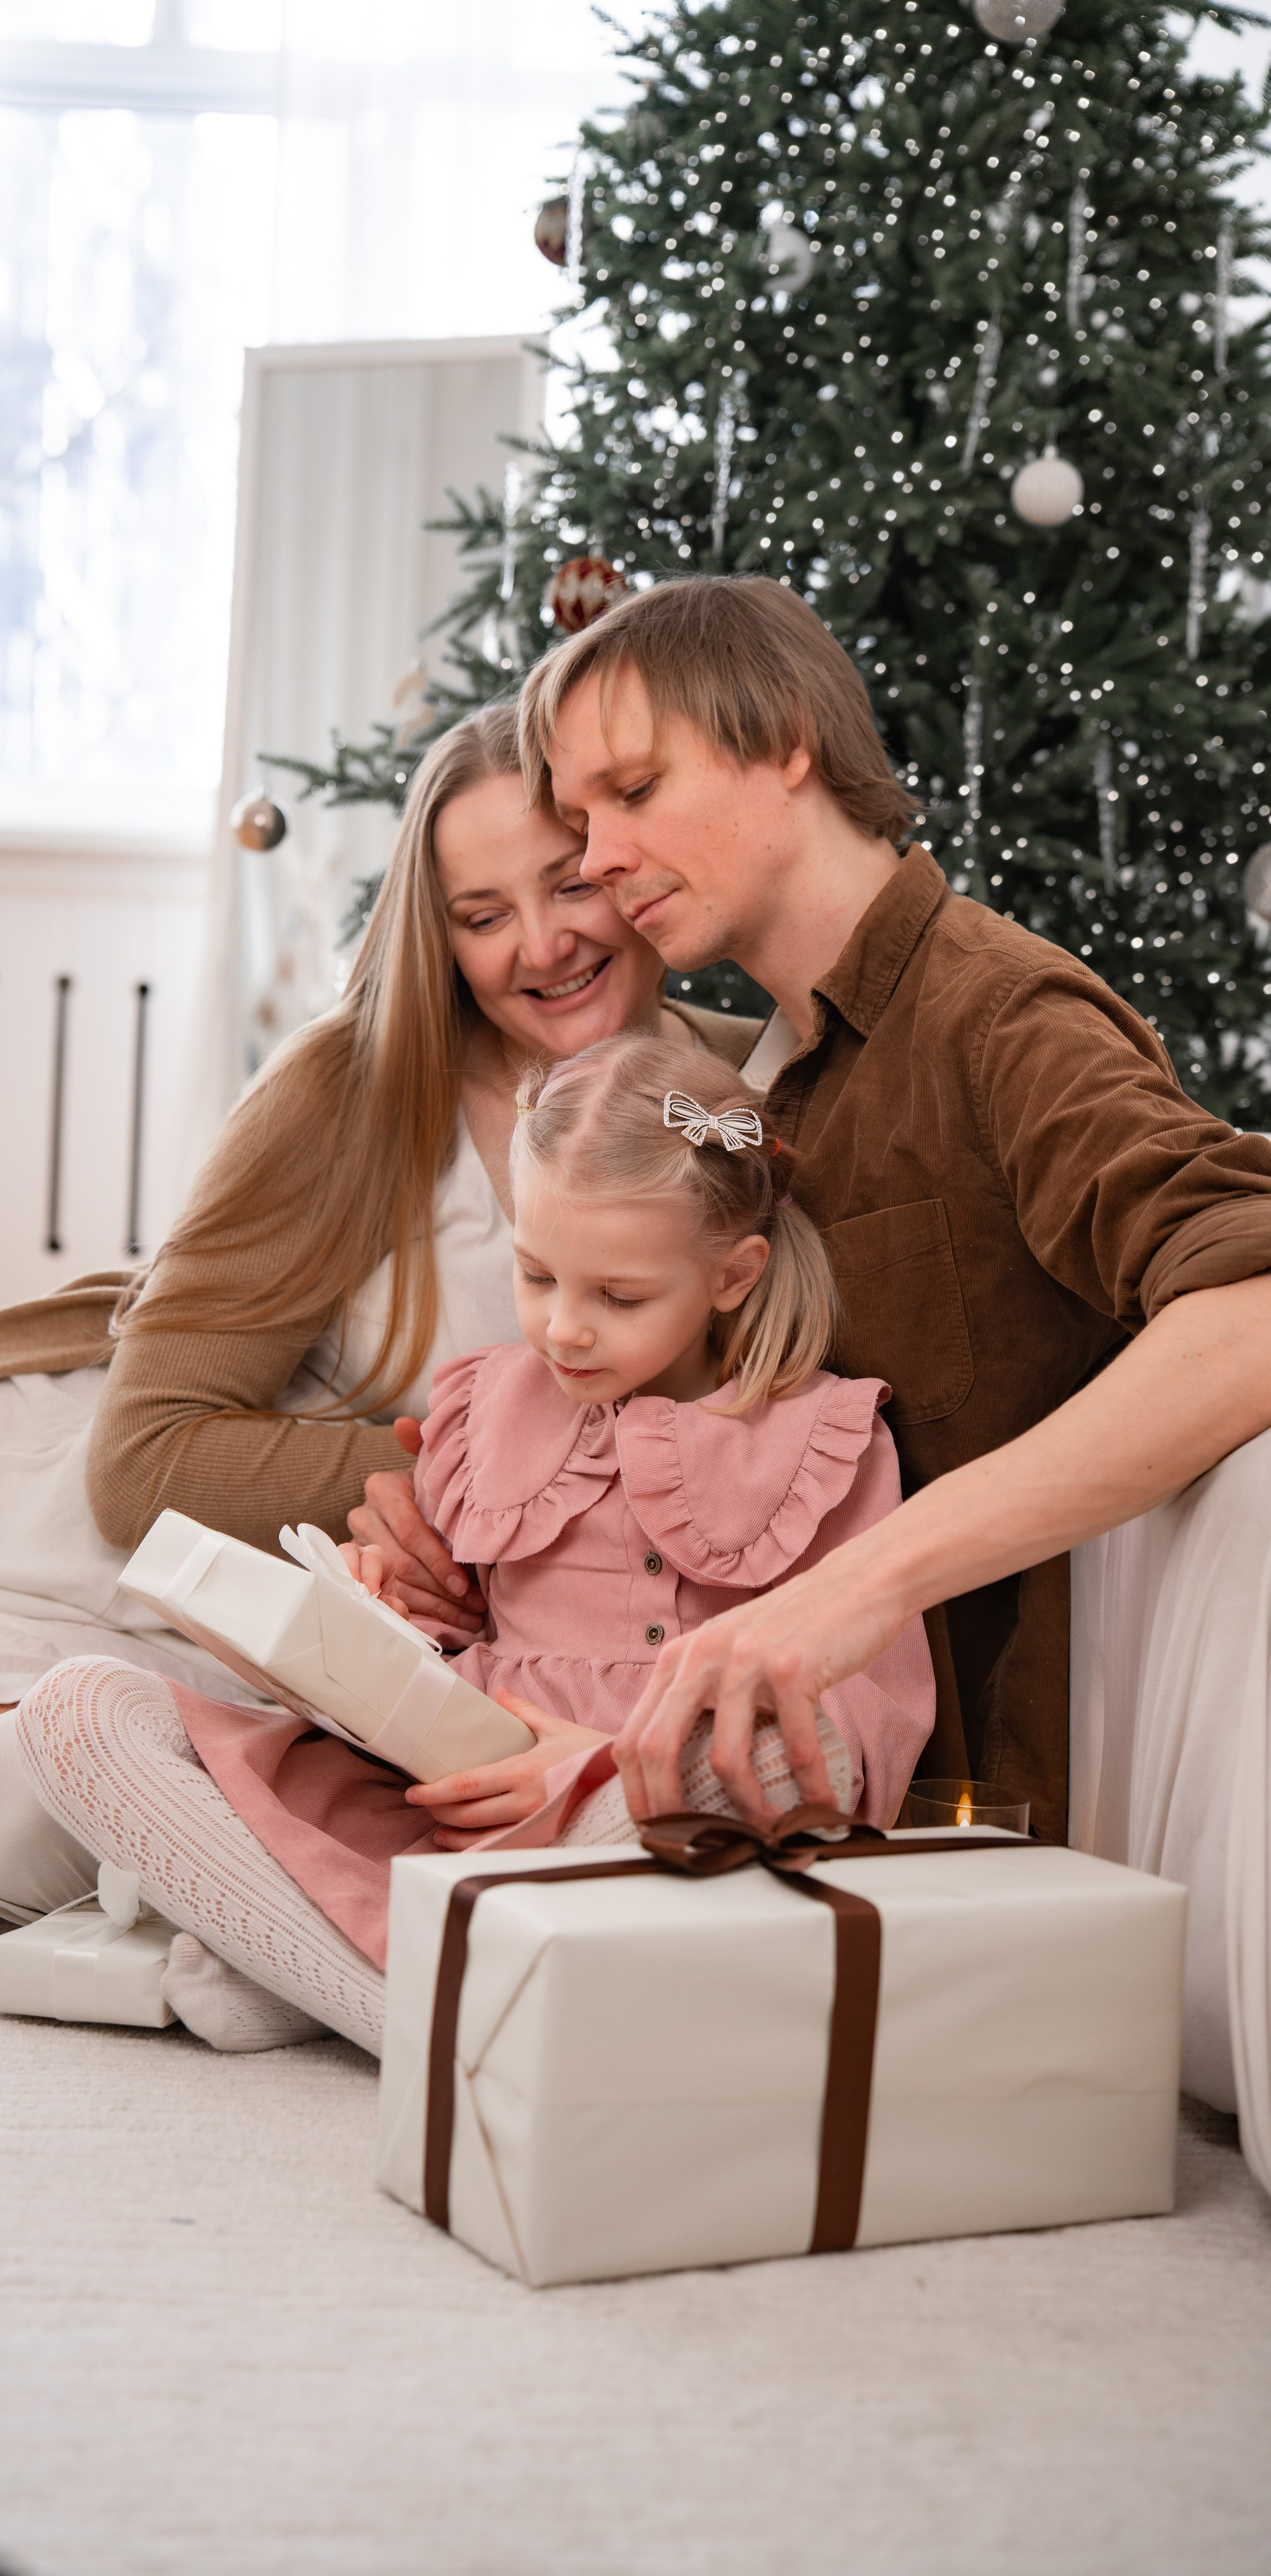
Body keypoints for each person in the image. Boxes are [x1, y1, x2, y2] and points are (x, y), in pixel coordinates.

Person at [0, 703, 720, 1916]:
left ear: (634, 869)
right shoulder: (353, 1089)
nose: (541, 945)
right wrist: (450, 1481)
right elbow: (140, 1459)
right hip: (49, 1499)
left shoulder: (735, 1107)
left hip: (232, 1610)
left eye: (571, 886)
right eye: (482, 916)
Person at [490, 574, 1271, 1856]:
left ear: (787, 740)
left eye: (633, 792)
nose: (596, 859)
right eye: (579, 819)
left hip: (946, 1817)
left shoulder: (999, 1018)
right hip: (745, 1753)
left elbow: (1252, 1299)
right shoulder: (753, 1090)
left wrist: (859, 1588)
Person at [8, 1034, 935, 2053]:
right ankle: (406, 2010)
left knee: (753, 1755)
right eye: (536, 1276)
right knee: (75, 1711)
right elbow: (447, 1635)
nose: (564, 1330)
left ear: (733, 1274)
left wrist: (612, 1771)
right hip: (436, 1803)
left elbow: (857, 1731)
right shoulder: (485, 1410)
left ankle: (321, 1978)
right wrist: (370, 1620)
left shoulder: (827, 1440)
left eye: (617, 1298)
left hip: (628, 1826)